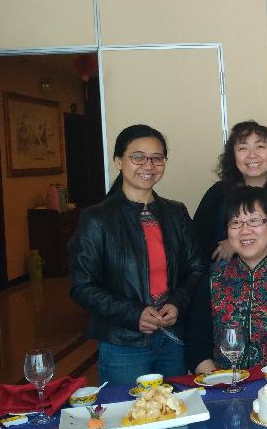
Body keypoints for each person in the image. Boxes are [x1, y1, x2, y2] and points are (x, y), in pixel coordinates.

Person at [69, 124, 206, 384]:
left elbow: (196, 267)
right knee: (129, 408)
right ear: (118, 161)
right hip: (123, 343)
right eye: (138, 157)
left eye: (157, 158)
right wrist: (133, 314)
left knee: (176, 405)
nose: (148, 165)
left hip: (172, 338)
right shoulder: (97, 219)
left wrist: (177, 303)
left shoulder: (175, 213)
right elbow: (82, 286)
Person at [186, 186, 267, 372]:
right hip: (222, 383)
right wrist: (220, 382)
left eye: (254, 221)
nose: (245, 230)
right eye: (236, 222)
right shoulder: (211, 283)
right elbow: (197, 349)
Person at [193, 120, 267, 261]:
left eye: (260, 146)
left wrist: (238, 243)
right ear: (233, 156)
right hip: (225, 270)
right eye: (243, 148)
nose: (252, 155)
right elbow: (196, 241)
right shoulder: (218, 193)